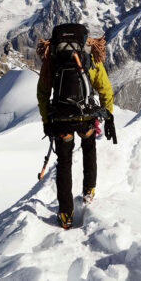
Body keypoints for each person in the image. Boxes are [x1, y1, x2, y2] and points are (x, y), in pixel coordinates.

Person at [36, 23, 115, 229]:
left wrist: (46, 120)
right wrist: (108, 115)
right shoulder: (89, 53)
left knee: (64, 162)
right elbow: (104, 88)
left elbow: (43, 92)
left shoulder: (52, 55)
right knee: (89, 148)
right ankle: (89, 191)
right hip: (84, 116)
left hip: (61, 117)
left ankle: (65, 214)